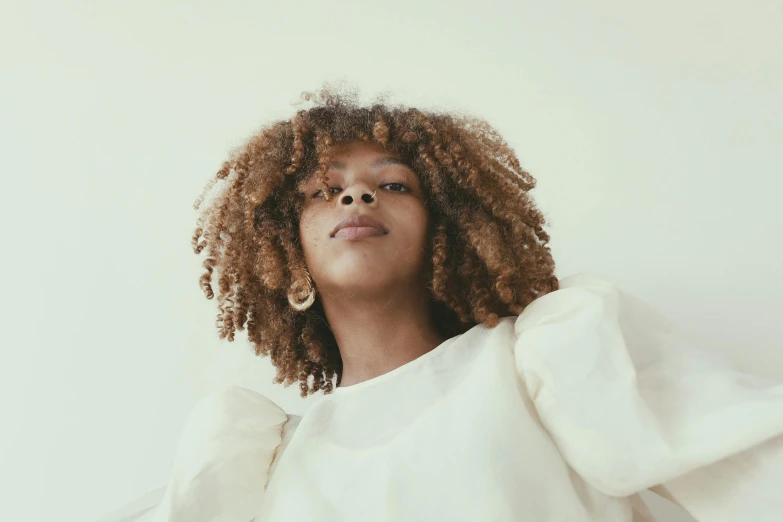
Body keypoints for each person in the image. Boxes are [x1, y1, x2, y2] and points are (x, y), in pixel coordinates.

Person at [102, 85, 783, 522]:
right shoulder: (260, 460)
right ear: (287, 253)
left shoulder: (541, 358)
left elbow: (752, 461)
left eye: (393, 184)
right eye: (323, 190)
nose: (356, 197)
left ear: (449, 231)